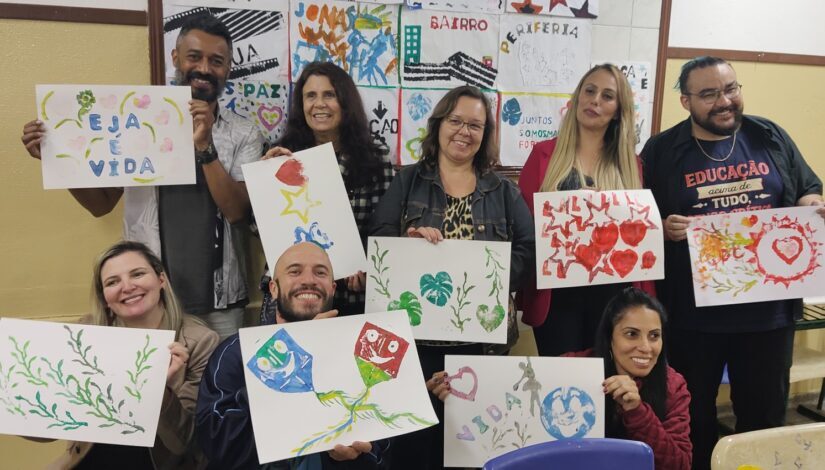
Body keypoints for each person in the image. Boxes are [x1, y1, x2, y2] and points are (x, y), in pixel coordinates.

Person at [20, 15, 265, 340]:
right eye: (194, 57)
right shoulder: (136, 117)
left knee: (217, 386)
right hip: (146, 298)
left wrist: (205, 146)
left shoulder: (244, 132)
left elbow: (237, 212)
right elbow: (101, 205)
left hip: (221, 301)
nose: (204, 68)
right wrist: (58, 159)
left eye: (216, 61)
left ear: (228, 69)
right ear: (176, 58)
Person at [641, 56, 825, 470]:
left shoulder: (769, 135)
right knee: (692, 420)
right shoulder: (662, 150)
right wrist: (663, 227)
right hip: (692, 318)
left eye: (731, 89)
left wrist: (812, 206)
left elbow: (807, 189)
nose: (724, 101)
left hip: (769, 317)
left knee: (764, 421)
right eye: (709, 94)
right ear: (686, 101)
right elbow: (637, 220)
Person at [369, 85, 535, 469]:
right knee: (416, 446)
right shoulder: (408, 181)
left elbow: (529, 250)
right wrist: (409, 245)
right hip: (414, 342)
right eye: (456, 121)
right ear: (439, 125)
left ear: (486, 134)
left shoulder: (504, 192)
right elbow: (379, 239)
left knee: (470, 447)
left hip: (481, 344)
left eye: (475, 125)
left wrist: (485, 278)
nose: (464, 131)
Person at [429, 287, 692, 470]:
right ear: (609, 337)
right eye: (631, 334)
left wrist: (637, 412)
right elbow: (509, 414)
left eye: (654, 336)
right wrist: (455, 396)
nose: (645, 347)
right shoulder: (571, 368)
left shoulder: (672, 385)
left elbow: (679, 465)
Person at [195, 242, 389, 469]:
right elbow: (219, 443)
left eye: (320, 272)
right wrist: (295, 349)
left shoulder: (364, 353)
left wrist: (357, 455)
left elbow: (382, 444)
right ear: (273, 289)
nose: (309, 280)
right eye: (295, 271)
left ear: (333, 288)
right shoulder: (235, 352)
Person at [43, 241, 219, 469]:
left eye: (137, 274)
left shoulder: (200, 342)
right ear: (104, 297)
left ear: (161, 280)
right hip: (93, 459)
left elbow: (186, 443)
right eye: (112, 282)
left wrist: (157, 389)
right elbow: (46, 429)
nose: (127, 287)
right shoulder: (85, 334)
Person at [518, 63, 652, 357]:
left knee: (608, 386)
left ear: (618, 110)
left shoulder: (630, 164)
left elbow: (640, 235)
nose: (595, 100)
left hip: (615, 295)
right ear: (577, 98)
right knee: (562, 384)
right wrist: (570, 211)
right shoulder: (543, 155)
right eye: (590, 91)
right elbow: (524, 226)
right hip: (557, 297)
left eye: (607, 96)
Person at [258, 61, 394, 322]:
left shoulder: (376, 158)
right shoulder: (281, 154)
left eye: (329, 95)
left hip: (352, 297)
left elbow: (385, 228)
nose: (319, 104)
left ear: (345, 102)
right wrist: (267, 186)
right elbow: (258, 229)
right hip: (291, 296)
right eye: (311, 96)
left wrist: (370, 269)